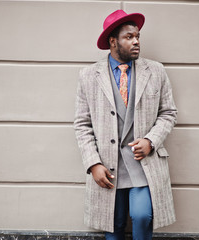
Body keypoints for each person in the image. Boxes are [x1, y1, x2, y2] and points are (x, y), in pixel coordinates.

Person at [74, 9, 178, 240]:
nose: (136, 42)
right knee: (114, 222)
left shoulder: (156, 71)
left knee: (142, 216)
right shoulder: (89, 76)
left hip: (143, 163)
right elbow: (82, 124)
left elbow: (168, 113)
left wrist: (151, 141)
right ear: (113, 42)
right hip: (107, 166)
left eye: (138, 36)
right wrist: (93, 164)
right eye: (129, 37)